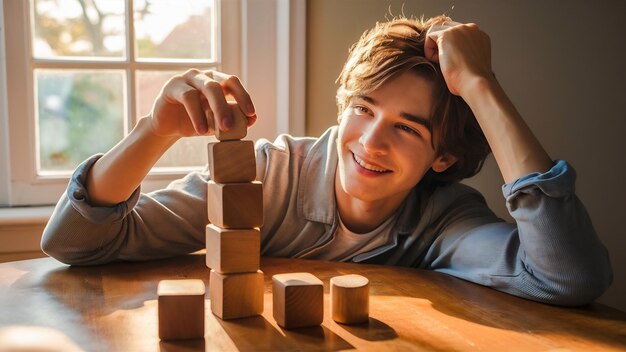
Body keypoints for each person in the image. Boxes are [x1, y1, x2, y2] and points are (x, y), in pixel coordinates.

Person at [41, 15, 612, 306]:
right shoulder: (267, 176)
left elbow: (568, 277)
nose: (370, 141)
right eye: (363, 108)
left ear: (444, 157)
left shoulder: (445, 219)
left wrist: (480, 85)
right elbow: (74, 241)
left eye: (407, 128)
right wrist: (156, 129)